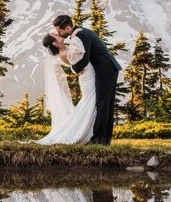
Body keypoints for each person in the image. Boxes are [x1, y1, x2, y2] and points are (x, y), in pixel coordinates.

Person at [51, 14, 121, 145]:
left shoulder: (80, 36)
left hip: (105, 69)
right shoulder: (82, 32)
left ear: (67, 28)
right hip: (109, 68)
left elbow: (84, 59)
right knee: (106, 104)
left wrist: (73, 69)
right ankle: (105, 140)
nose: (58, 33)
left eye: (59, 31)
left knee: (102, 104)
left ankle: (98, 140)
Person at [35, 31, 97, 145]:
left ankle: (88, 131)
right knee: (90, 101)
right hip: (88, 76)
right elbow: (81, 57)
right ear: (54, 43)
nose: (60, 35)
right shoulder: (63, 53)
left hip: (88, 76)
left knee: (91, 102)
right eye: (57, 36)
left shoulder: (64, 50)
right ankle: (85, 132)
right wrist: (75, 37)